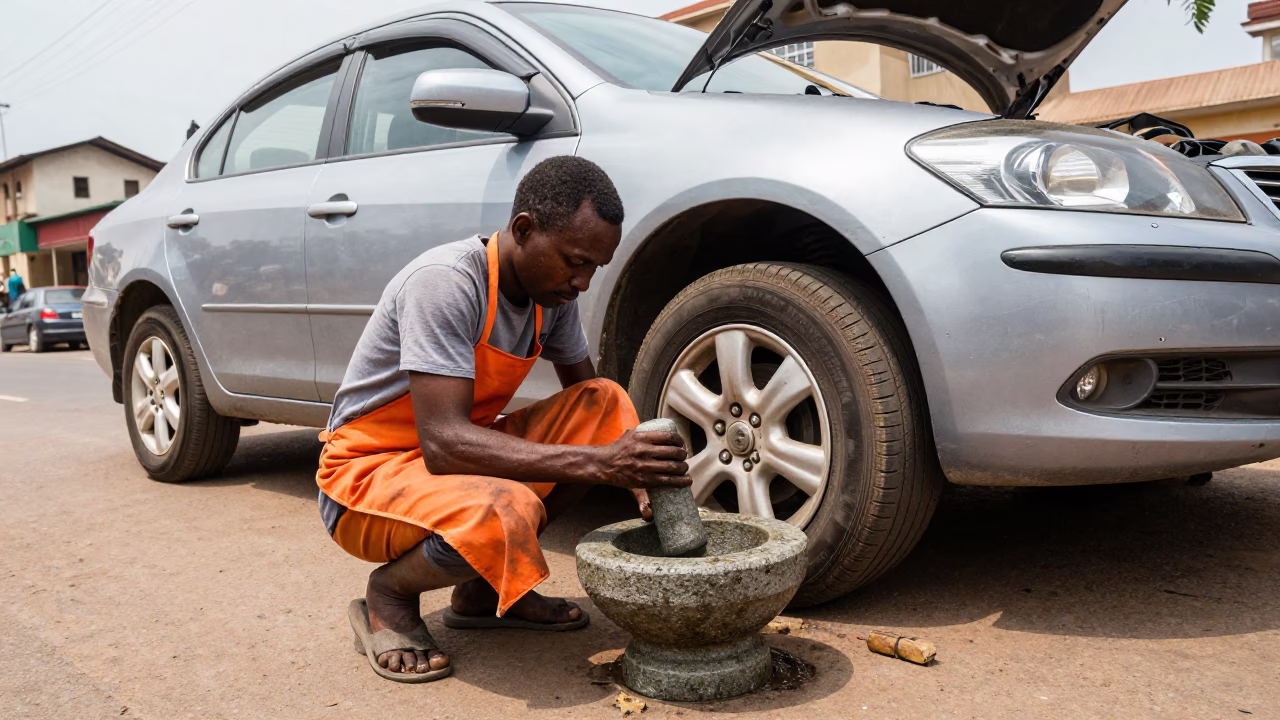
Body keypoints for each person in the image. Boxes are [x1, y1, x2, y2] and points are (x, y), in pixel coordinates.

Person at [315, 156, 691, 683]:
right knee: (508, 504)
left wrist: (640, 475)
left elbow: (592, 403)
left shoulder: (550, 294)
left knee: (604, 401)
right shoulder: (445, 283)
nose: (582, 282)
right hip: (365, 477)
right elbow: (444, 443)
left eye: (594, 268)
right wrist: (604, 463)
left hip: (449, 458)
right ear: (523, 229)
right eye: (575, 262)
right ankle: (389, 595)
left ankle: (482, 590)